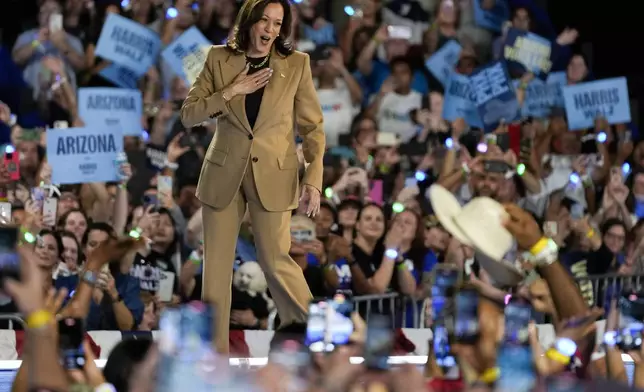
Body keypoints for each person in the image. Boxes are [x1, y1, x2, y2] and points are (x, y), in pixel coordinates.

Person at [180, 0, 326, 353]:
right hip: (223, 173)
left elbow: (313, 128)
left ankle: (322, 336)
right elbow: (189, 114)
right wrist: (232, 91)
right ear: (249, 21)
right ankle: (213, 358)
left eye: (277, 23)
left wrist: (313, 179)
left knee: (276, 259)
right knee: (215, 268)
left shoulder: (297, 64)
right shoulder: (217, 58)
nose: (270, 30)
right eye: (264, 20)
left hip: (274, 174)